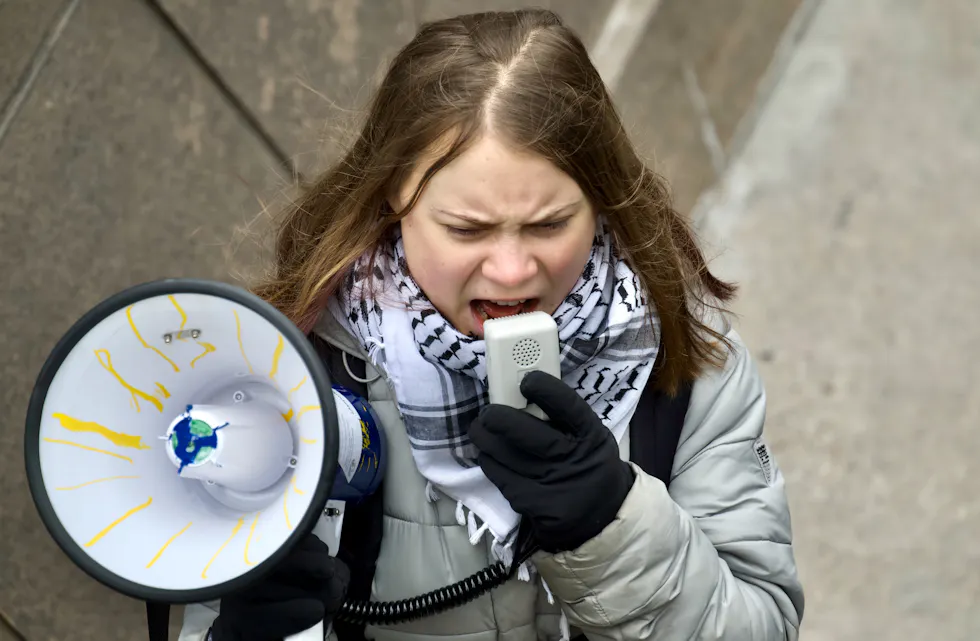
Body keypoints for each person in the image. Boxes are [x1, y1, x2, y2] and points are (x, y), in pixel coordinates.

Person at [180, 8, 804, 641]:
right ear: (394, 198)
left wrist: (611, 527)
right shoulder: (297, 367)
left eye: (548, 225)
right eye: (467, 230)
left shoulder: (690, 366)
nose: (511, 272)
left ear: (602, 200)